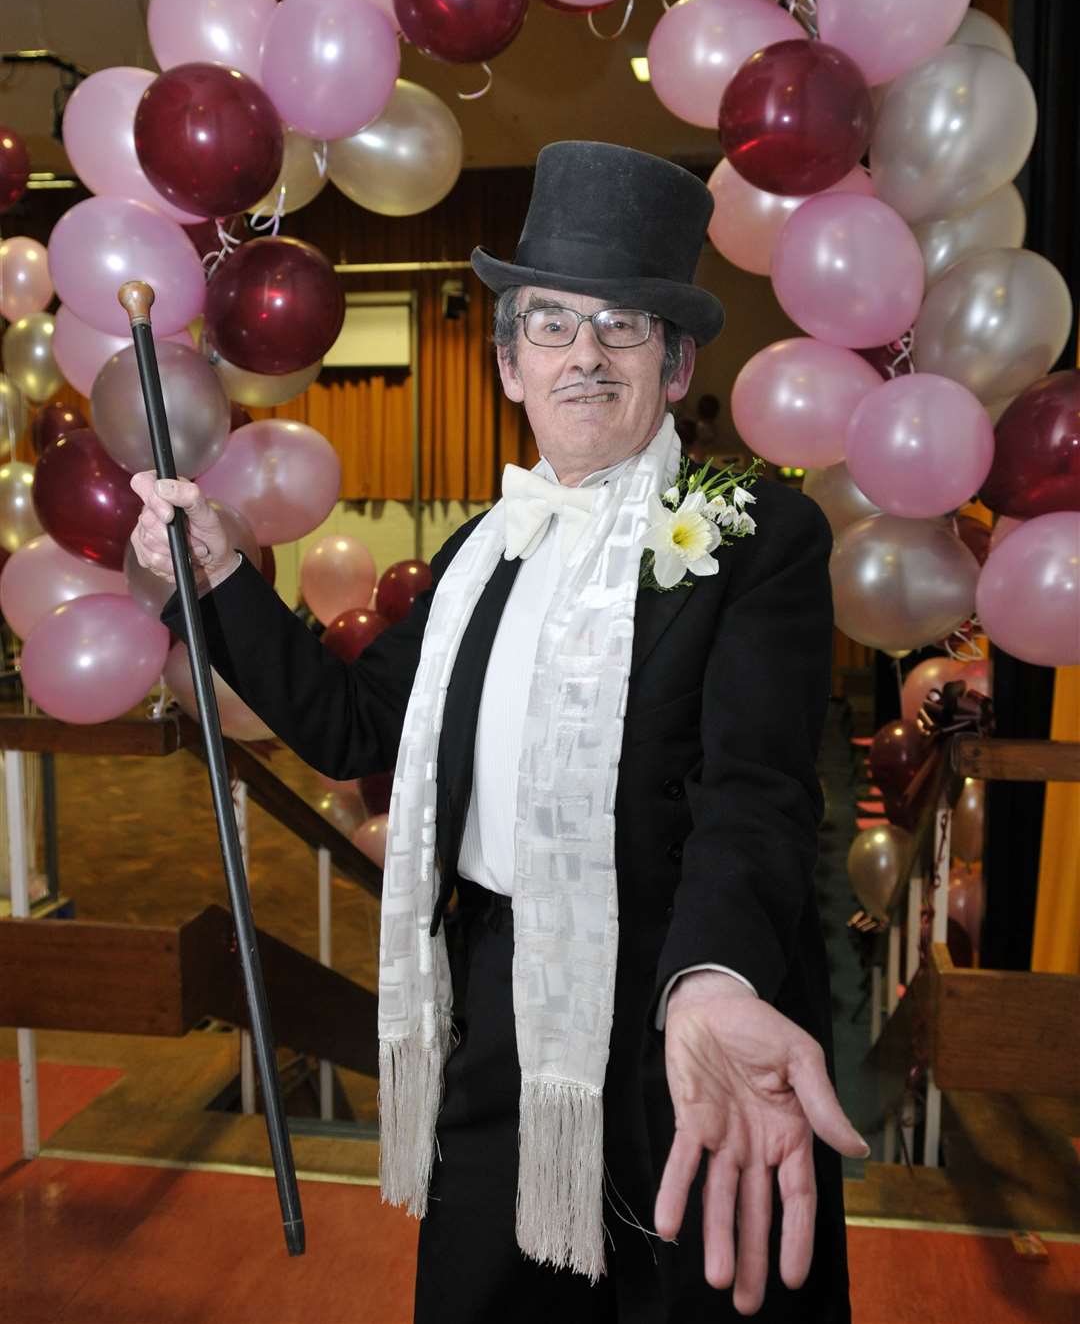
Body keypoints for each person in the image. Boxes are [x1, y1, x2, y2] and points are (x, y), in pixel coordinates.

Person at [131, 141, 868, 1323]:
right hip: (494, 1000)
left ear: (675, 367)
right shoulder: (484, 551)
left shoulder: (755, 536)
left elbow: (758, 791)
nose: (585, 355)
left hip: (679, 1009)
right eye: (553, 325)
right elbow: (349, 723)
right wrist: (214, 576)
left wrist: (717, 977)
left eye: (623, 327)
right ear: (510, 365)